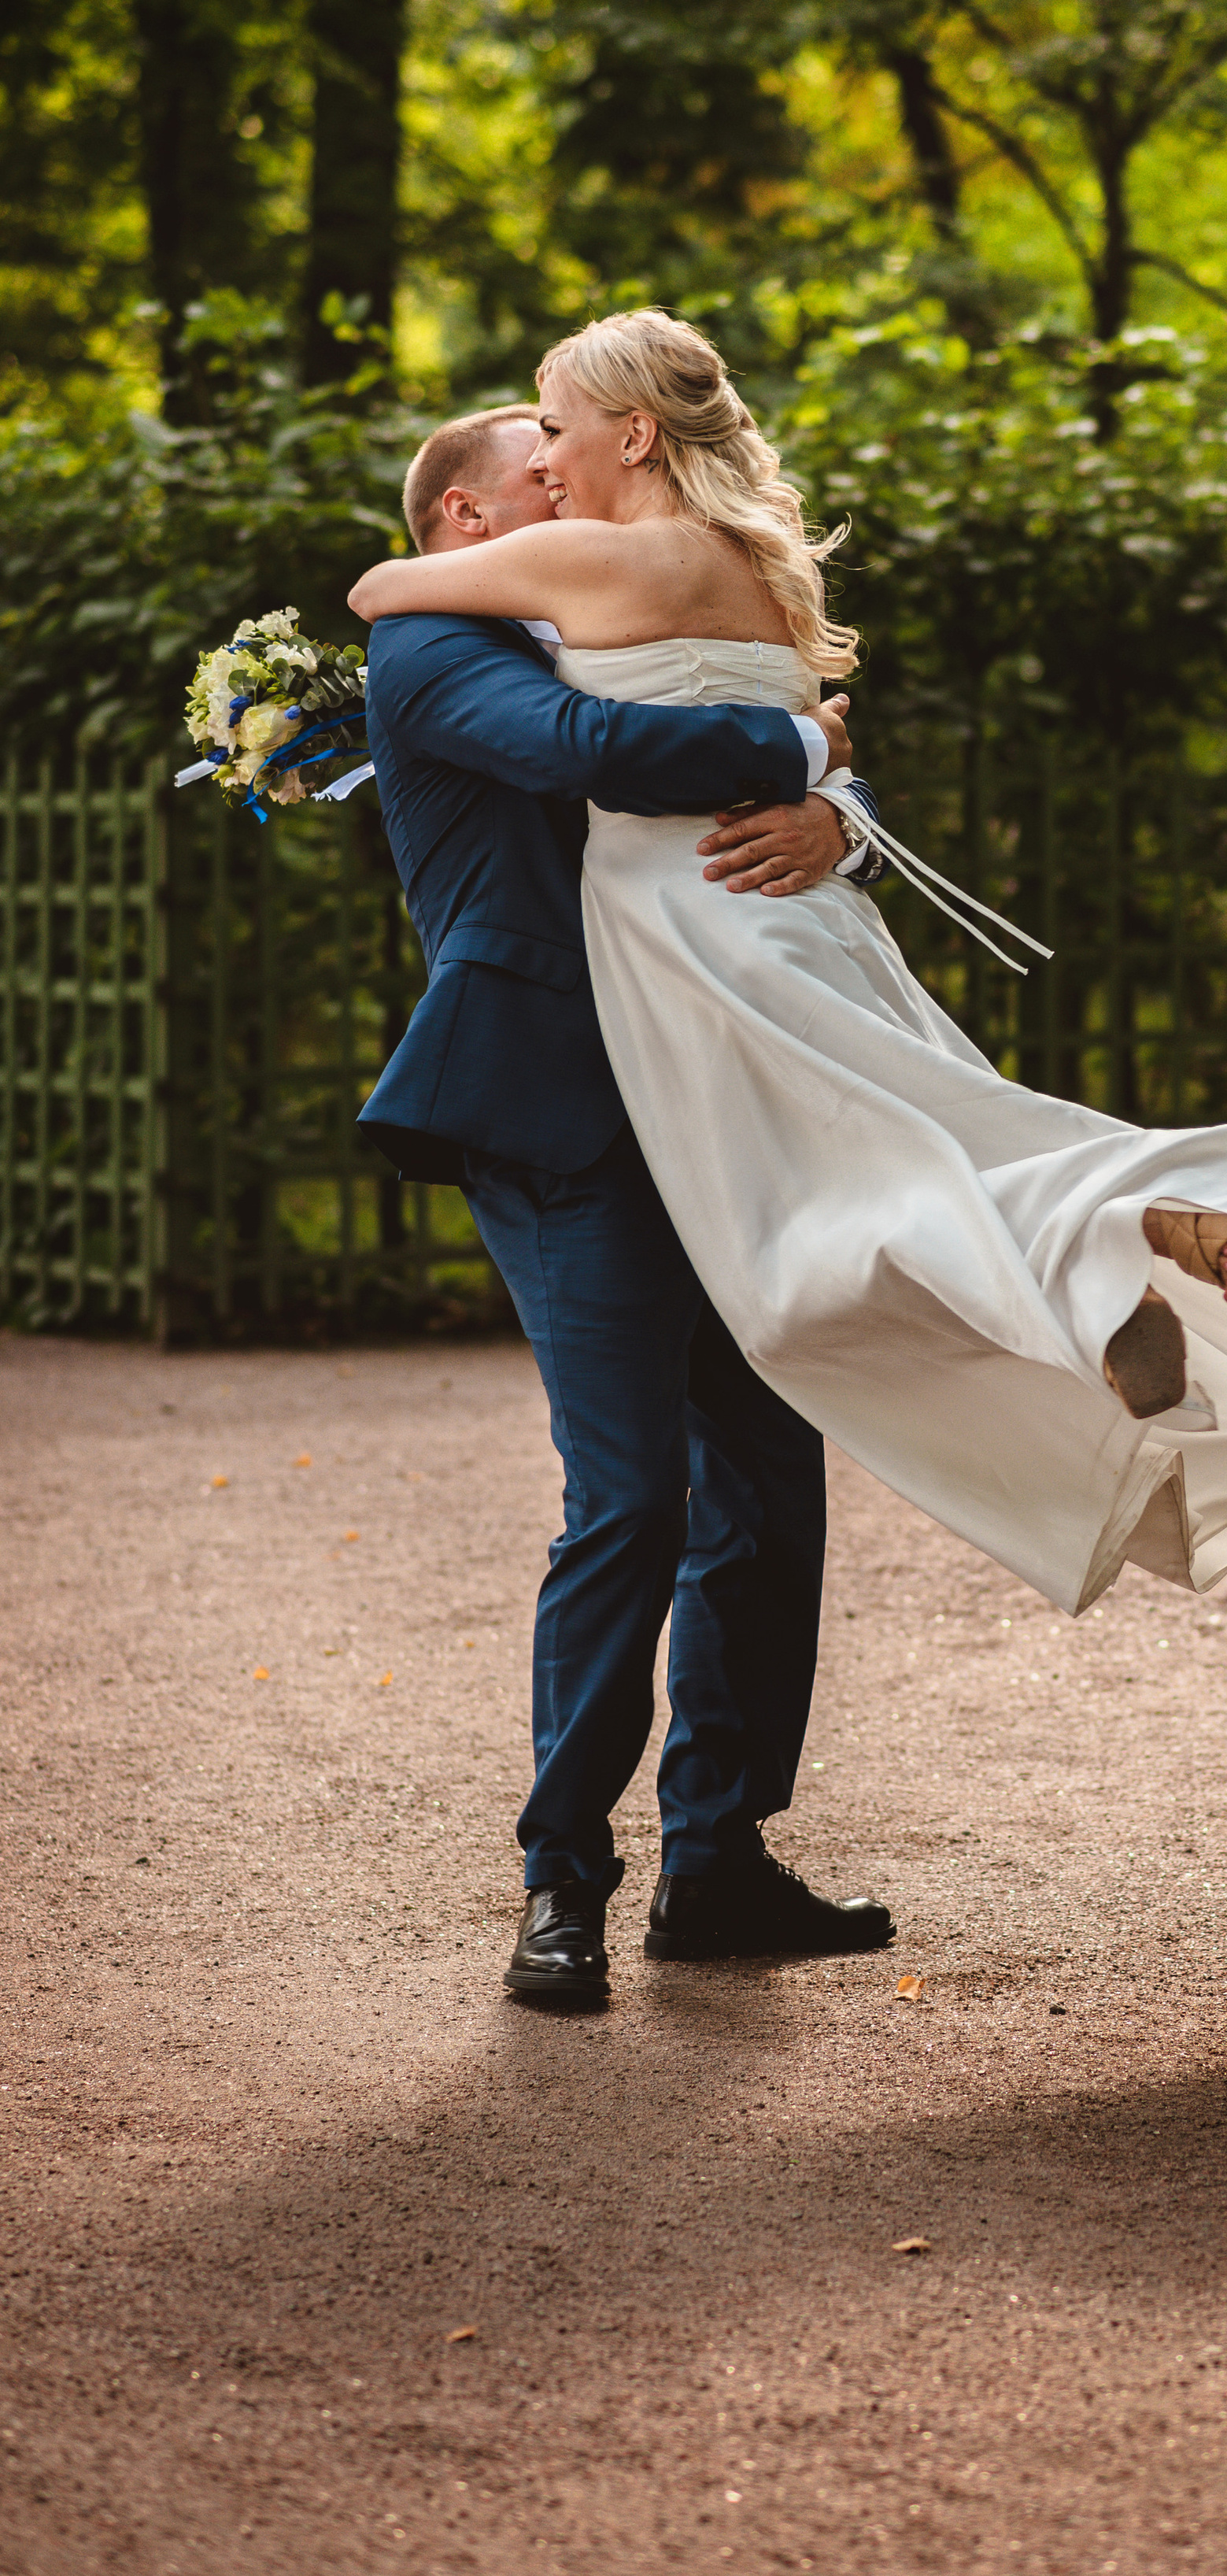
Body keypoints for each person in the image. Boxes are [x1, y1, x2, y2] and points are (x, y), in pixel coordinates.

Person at [352, 310, 1227, 1634]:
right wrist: (820, 775)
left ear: (633, 433)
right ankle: (1111, 1246)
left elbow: (394, 606)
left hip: (708, 936)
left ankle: (1106, 1252)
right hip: (803, 921)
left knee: (828, 1232)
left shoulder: (582, 558)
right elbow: (747, 720)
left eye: (561, 424)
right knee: (920, 1154)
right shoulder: (757, 563)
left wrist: (809, 771)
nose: (553, 455)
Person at [359, 399, 896, 2008]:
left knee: (768, 1475)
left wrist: (834, 827)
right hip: (560, 1115)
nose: (570, 473)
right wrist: (805, 738)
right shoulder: (439, 657)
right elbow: (590, 759)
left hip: (716, 1107)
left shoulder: (633, 618)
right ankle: (561, 1880)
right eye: (536, 464)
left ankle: (717, 1863)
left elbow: (741, 824)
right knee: (632, 1497)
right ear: (464, 519)